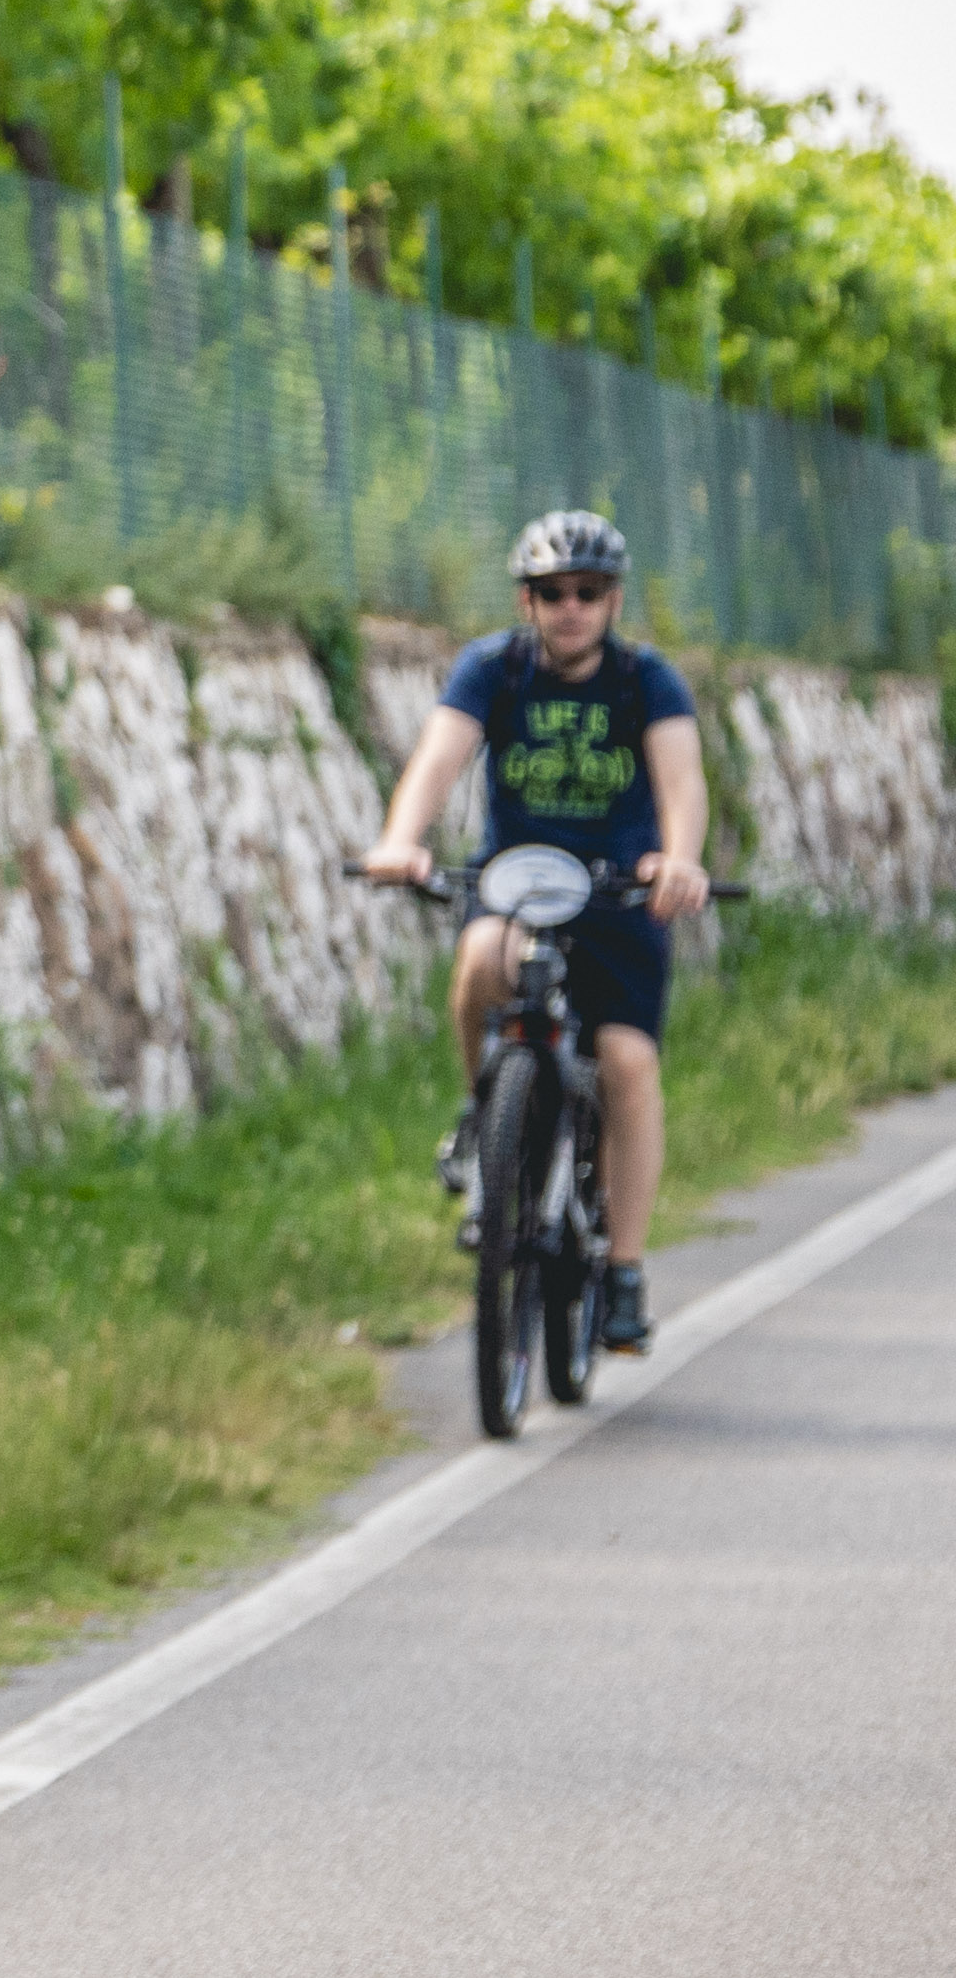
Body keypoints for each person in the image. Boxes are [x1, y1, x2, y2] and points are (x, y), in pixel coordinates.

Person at [362, 509, 710, 1352]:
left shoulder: (645, 680)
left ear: (613, 600)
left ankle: (623, 1271)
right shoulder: (493, 669)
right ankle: (490, 1114)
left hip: (619, 899)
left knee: (627, 1062)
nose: (570, 608)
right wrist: (403, 841)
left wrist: (679, 859)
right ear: (527, 601)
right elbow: (438, 759)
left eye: (588, 593)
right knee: (480, 955)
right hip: (516, 888)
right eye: (551, 593)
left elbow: (681, 779)